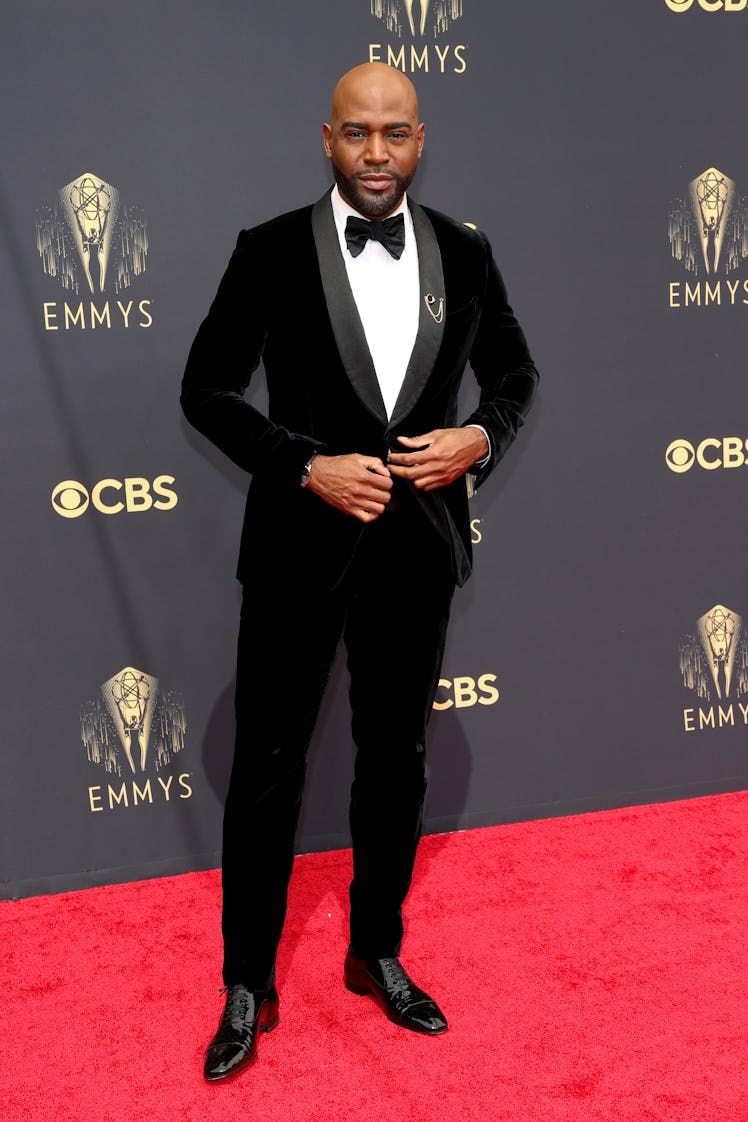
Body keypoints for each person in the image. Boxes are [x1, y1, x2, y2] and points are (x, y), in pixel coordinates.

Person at [181, 61, 539, 1082]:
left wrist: (479, 436)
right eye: (356, 134)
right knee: (267, 770)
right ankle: (248, 977)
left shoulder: (465, 254)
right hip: (299, 543)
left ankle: (374, 949)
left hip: (416, 546)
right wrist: (303, 463)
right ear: (326, 138)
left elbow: (514, 371)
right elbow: (204, 389)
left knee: (396, 758)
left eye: (393, 135)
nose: (375, 154)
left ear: (419, 140)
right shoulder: (267, 252)